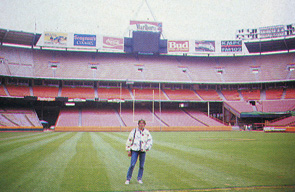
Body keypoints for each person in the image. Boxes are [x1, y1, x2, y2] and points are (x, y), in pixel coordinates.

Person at [125, 119, 153, 185]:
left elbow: (150, 141)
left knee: (141, 166)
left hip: (143, 151)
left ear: (144, 125)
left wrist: (147, 147)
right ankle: (128, 179)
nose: (141, 124)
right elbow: (129, 140)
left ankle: (139, 178)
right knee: (132, 164)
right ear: (138, 124)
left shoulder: (146, 132)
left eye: (143, 123)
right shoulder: (134, 131)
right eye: (140, 123)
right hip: (135, 150)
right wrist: (128, 149)